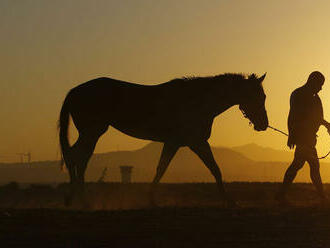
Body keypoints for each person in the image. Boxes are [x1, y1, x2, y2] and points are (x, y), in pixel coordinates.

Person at [276, 71, 330, 205]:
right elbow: (293, 116)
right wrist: (292, 135)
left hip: (310, 138)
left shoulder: (315, 98)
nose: (321, 88)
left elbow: (318, 118)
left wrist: (327, 125)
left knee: (300, 165)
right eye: (320, 84)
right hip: (302, 137)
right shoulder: (298, 95)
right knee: (311, 166)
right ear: (313, 81)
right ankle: (323, 197)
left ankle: (281, 194)